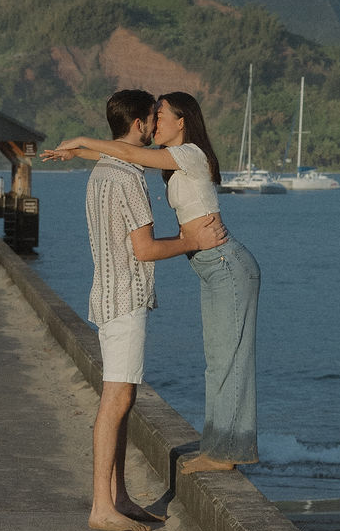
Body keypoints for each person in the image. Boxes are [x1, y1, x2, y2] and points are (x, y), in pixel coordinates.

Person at [46, 92, 260, 475]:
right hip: (211, 267)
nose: (155, 123)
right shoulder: (172, 162)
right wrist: (77, 155)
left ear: (182, 122)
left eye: (161, 116)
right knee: (217, 362)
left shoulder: (191, 154)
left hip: (226, 264)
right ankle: (219, 446)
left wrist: (82, 141)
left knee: (230, 360)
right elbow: (122, 156)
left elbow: (129, 155)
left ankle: (226, 452)